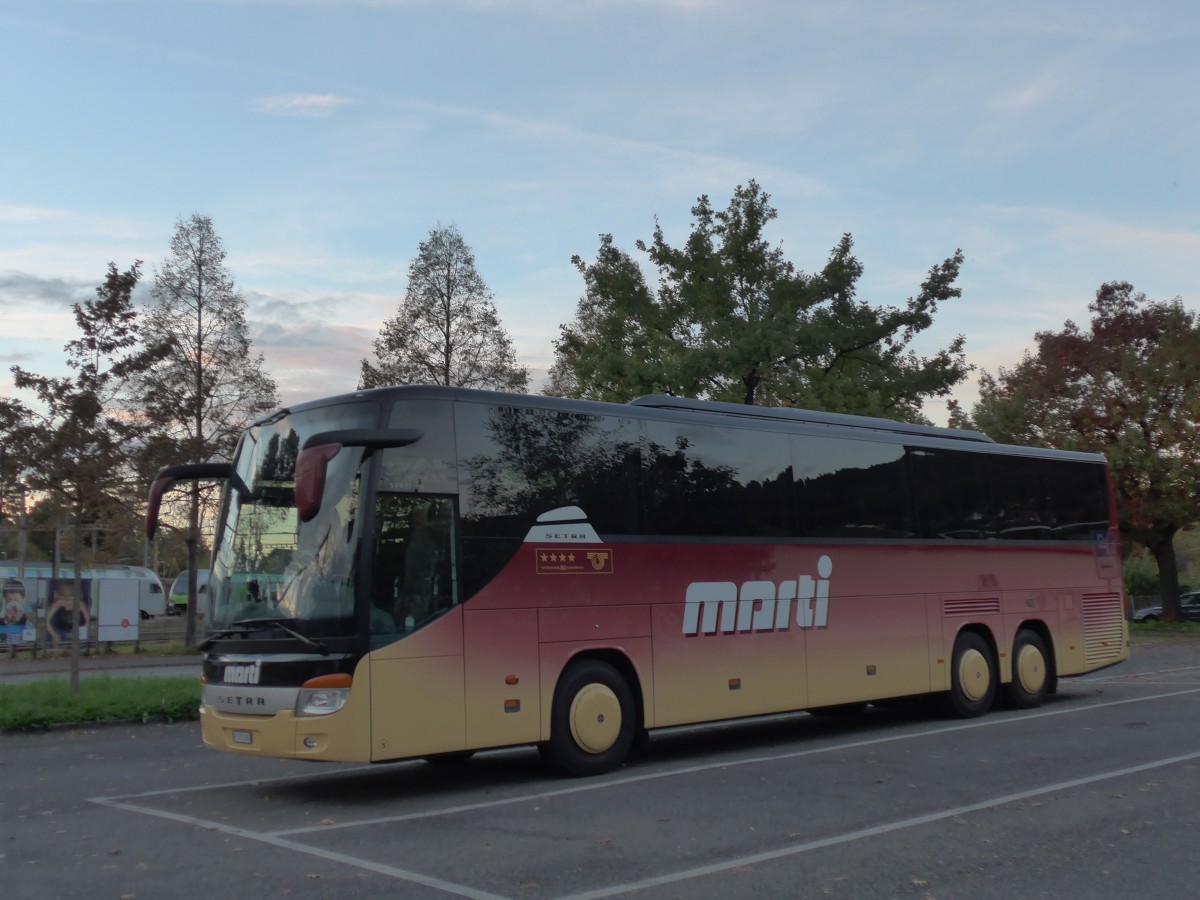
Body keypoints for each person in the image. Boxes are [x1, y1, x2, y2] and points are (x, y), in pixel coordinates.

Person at [46, 579, 91, 644]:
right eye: (65, 599)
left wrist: (79, 633)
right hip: (60, 627)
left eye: (70, 599)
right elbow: (46, 621)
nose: (67, 602)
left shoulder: (79, 604)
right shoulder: (59, 603)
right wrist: (54, 635)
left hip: (77, 627)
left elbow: (88, 621)